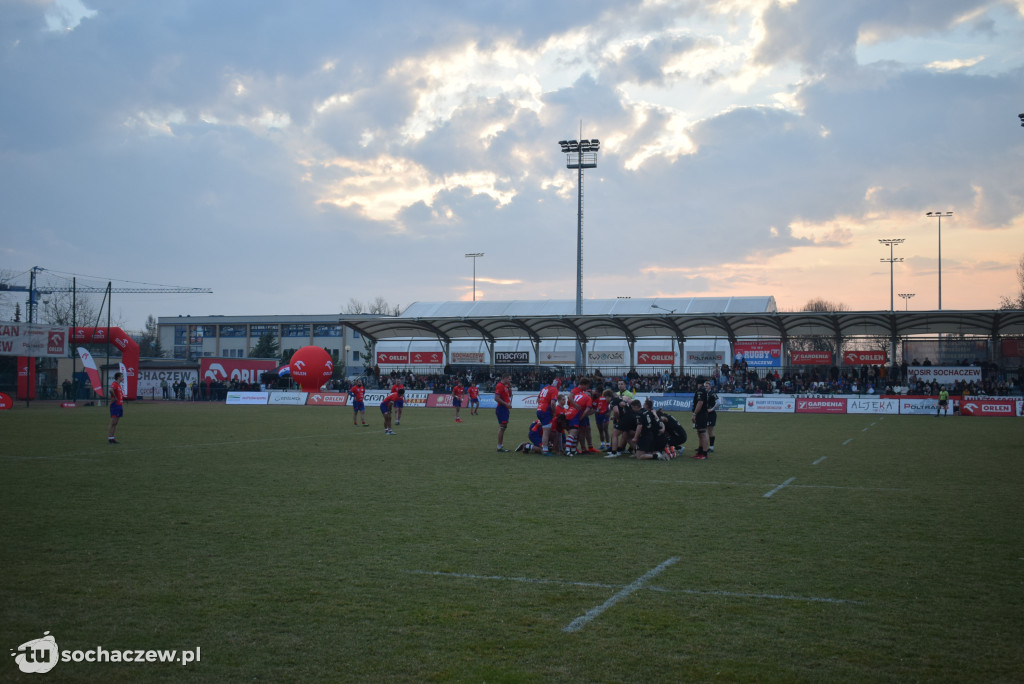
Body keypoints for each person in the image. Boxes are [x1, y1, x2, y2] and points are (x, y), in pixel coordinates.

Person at [535, 378, 560, 455]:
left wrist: (542, 405)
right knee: (546, 431)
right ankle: (545, 450)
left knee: (545, 429)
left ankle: (544, 446)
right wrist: (554, 412)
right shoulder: (554, 390)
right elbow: (553, 403)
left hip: (539, 410)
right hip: (545, 411)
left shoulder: (545, 388)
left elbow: (538, 399)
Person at [691, 380, 710, 460]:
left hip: (701, 414)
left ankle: (704, 454)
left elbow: (700, 403)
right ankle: (700, 452)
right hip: (701, 414)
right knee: (699, 433)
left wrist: (695, 414)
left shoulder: (700, 391)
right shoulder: (702, 390)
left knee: (702, 433)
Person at [494, 373, 513, 452]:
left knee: (504, 427)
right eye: (509, 379)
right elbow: (496, 398)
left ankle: (500, 445)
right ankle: (499, 446)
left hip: (505, 408)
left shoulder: (505, 386)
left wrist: (510, 388)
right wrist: (506, 404)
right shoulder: (499, 386)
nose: (510, 380)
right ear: (504, 378)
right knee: (502, 427)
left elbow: (510, 395)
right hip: (502, 408)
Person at [108, 372, 125, 444]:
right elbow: (110, 390)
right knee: (113, 422)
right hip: (115, 405)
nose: (123, 378)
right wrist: (114, 397)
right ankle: (110, 438)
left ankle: (112, 438)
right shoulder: (114, 384)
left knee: (116, 423)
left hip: (119, 405)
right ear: (118, 377)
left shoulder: (119, 385)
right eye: (122, 376)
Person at [704, 380, 719, 452]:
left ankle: (711, 447)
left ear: (710, 386)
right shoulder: (705, 393)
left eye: (706, 386)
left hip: (711, 415)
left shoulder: (713, 394)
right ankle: (703, 446)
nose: (705, 387)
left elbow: (718, 403)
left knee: (710, 430)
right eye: (705, 386)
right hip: (705, 414)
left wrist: (712, 409)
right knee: (704, 430)